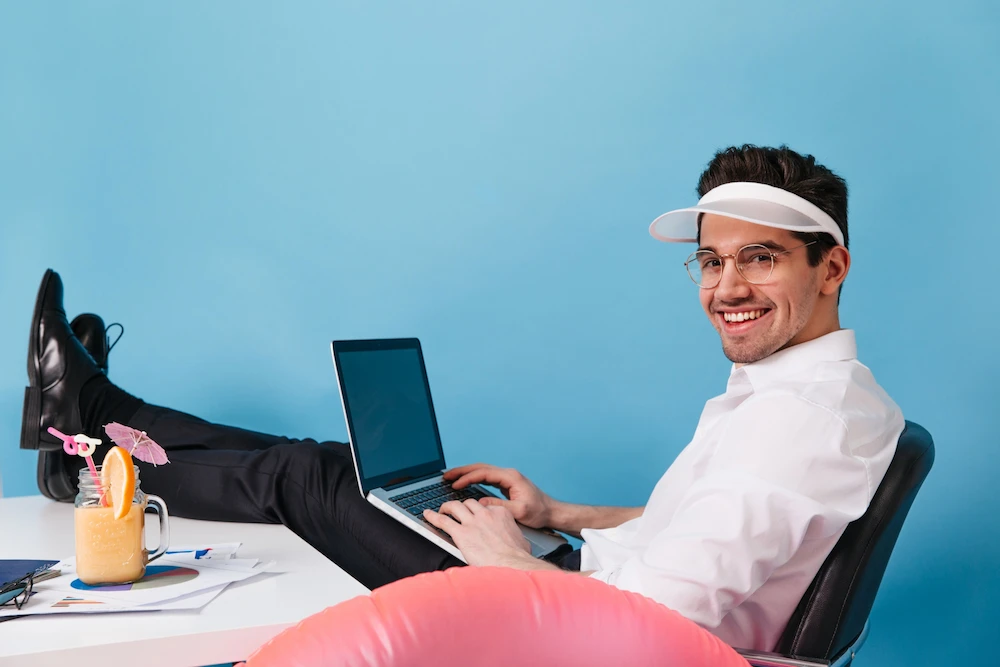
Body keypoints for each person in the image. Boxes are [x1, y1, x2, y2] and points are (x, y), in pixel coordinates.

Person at [19, 144, 903, 651]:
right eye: (711, 260)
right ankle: (94, 421)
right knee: (332, 466)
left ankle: (87, 439)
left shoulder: (798, 423)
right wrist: (559, 513)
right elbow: (714, 526)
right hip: (576, 586)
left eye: (759, 258)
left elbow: (660, 623)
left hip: (574, 629)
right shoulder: (824, 397)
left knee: (307, 476)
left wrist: (509, 563)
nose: (726, 287)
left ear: (831, 267)